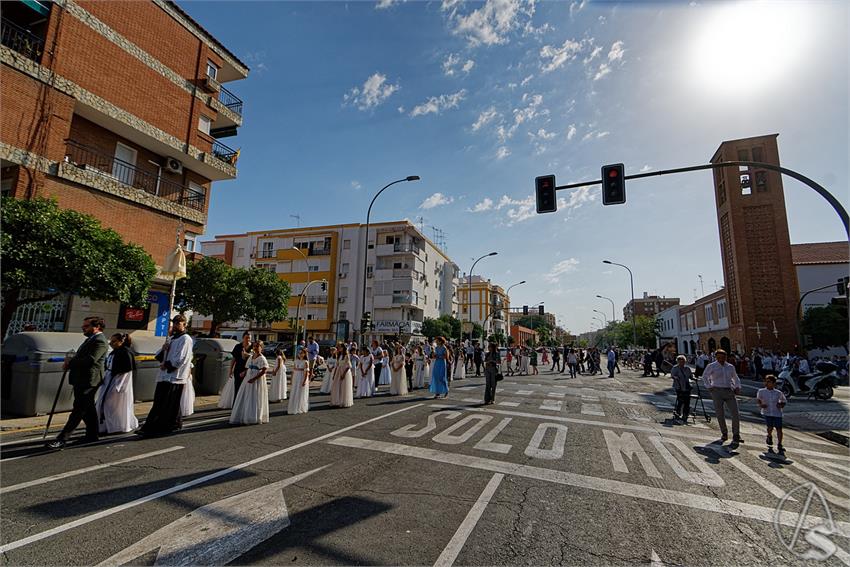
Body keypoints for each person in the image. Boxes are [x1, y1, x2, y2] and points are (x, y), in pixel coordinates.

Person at [47, 317, 109, 448]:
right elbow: (80, 357)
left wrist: (71, 362)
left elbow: (91, 360)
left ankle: (62, 438)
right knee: (88, 408)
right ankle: (92, 435)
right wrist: (70, 362)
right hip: (81, 379)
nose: (83, 328)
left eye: (86, 326)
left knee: (79, 409)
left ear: (96, 327)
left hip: (89, 380)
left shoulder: (100, 341)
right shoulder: (90, 339)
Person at [139, 315, 193, 437]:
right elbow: (159, 354)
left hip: (175, 376)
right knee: (162, 401)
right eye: (174, 323)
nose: (175, 325)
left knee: (170, 402)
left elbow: (182, 359)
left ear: (184, 324)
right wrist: (164, 349)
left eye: (178, 323)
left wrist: (168, 365)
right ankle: (171, 423)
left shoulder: (186, 339)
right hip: (165, 375)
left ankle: (162, 425)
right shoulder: (172, 338)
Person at [96, 333, 138, 434]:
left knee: (113, 405)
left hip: (117, 382)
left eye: (114, 341)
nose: (111, 343)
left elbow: (126, 372)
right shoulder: (115, 352)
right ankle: (106, 426)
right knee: (104, 404)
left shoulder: (126, 353)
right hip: (109, 379)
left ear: (121, 341)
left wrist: (118, 386)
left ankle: (117, 426)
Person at [703, 349, 743, 445]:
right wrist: (709, 387)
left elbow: (735, 377)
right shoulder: (712, 366)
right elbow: (705, 376)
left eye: (723, 357)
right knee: (720, 413)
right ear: (716, 357)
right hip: (717, 390)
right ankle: (724, 433)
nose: (721, 359)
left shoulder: (730, 366)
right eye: (719, 357)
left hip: (729, 390)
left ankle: (736, 434)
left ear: (726, 357)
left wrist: (737, 387)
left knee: (735, 413)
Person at [230, 340, 270, 425]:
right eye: (254, 346)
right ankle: (246, 414)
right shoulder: (251, 356)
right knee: (247, 395)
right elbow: (248, 367)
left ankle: (254, 416)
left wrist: (254, 378)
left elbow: (264, 370)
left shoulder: (262, 358)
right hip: (248, 377)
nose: (255, 348)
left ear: (261, 348)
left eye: (257, 346)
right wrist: (244, 372)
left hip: (256, 380)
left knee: (254, 396)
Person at [756, 375, 787, 454]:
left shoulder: (778, 393)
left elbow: (784, 401)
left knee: (779, 428)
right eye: (766, 381)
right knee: (770, 427)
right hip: (767, 412)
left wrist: (781, 405)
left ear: (773, 383)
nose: (766, 383)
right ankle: (769, 436)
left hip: (777, 413)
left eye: (769, 382)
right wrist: (761, 405)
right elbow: (758, 399)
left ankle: (780, 444)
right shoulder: (761, 391)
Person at [671, 355, 693, 424]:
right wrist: (675, 377)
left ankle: (685, 414)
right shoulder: (675, 368)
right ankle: (678, 412)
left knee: (687, 401)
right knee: (680, 400)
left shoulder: (687, 368)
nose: (682, 363)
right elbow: (672, 375)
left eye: (683, 361)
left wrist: (694, 379)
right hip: (679, 386)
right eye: (680, 362)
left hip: (686, 387)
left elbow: (690, 376)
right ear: (677, 362)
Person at [287, 347, 310, 414]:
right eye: (299, 353)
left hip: (301, 377)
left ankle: (299, 406)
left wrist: (304, 381)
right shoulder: (296, 361)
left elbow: (307, 373)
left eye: (301, 353)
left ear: (304, 354)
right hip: (296, 377)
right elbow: (293, 371)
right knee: (294, 390)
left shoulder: (305, 362)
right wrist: (291, 379)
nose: (300, 354)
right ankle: (294, 405)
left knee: (300, 391)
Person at [229, 332, 251, 398]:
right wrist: (230, 370)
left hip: (249, 370)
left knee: (247, 388)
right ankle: (236, 403)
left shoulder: (253, 346)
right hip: (238, 369)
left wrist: (248, 355)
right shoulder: (238, 346)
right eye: (246, 338)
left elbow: (256, 357)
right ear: (243, 338)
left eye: (249, 338)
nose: (248, 339)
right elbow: (234, 359)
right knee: (237, 386)